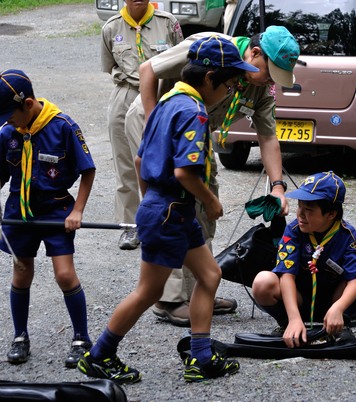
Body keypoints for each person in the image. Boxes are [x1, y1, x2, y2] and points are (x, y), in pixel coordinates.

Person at [77, 36, 258, 384]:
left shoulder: (167, 101)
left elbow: (142, 157)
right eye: (231, 83)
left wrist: (152, 202)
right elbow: (184, 172)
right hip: (171, 211)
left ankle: (201, 357)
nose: (233, 90)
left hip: (169, 208)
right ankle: (99, 355)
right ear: (209, 79)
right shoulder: (193, 111)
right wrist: (211, 200)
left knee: (209, 275)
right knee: (150, 292)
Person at [124, 26, 300, 325]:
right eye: (270, 73)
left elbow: (268, 138)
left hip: (196, 135)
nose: (271, 82)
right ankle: (169, 300)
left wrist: (278, 187)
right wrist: (157, 128)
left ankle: (200, 290)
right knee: (175, 207)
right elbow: (147, 70)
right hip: (157, 121)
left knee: (205, 208)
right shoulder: (214, 48)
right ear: (255, 53)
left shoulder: (260, 89)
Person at [0, 69, 96, 367]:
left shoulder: (63, 126)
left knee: (65, 275)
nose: (6, 121)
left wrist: (77, 211)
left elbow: (87, 170)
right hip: (19, 212)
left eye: (9, 115)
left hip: (56, 211)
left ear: (28, 103)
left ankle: (82, 338)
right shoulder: (7, 133)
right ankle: (20, 336)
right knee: (21, 271)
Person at [252, 171, 356, 347]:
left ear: (331, 214)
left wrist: (338, 308)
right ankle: (289, 326)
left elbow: (354, 281)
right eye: (300, 207)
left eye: (308, 210)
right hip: (299, 301)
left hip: (334, 301)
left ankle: (342, 321)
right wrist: (293, 318)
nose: (300, 215)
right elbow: (287, 276)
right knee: (262, 281)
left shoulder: (348, 236)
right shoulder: (293, 231)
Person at [101, 0, 183, 250]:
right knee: (124, 162)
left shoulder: (168, 23)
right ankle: (129, 227)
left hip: (159, 94)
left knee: (156, 160)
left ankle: (159, 218)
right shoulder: (111, 27)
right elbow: (109, 66)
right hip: (125, 93)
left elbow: (182, 61)